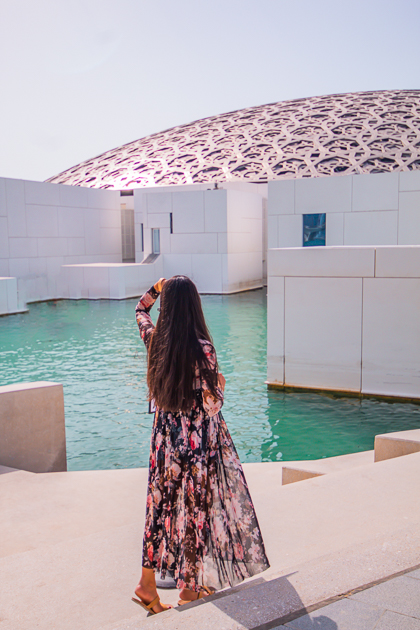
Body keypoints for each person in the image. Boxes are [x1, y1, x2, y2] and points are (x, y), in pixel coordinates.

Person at [132, 276, 269, 615]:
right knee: (196, 510)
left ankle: (147, 583)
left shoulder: (155, 342)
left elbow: (140, 310)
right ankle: (189, 589)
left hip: (164, 441)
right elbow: (211, 405)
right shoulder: (202, 348)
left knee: (159, 507)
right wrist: (220, 385)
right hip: (197, 443)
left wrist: (155, 289)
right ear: (194, 305)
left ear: (169, 306)